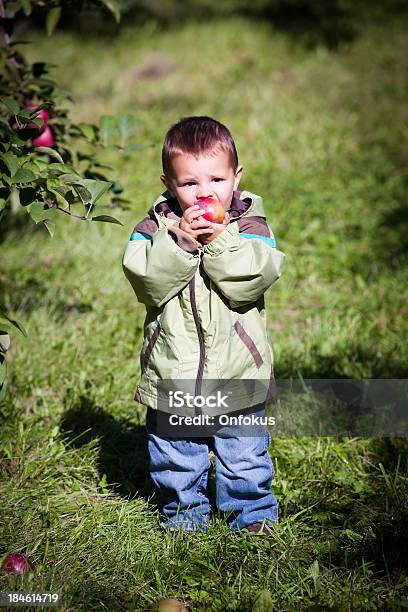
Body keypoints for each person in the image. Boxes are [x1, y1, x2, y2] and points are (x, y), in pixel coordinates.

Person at [122, 116, 285, 539]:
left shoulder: (249, 226)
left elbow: (251, 280)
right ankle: (184, 519)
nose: (204, 192)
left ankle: (251, 520)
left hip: (236, 370)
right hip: (174, 367)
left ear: (237, 176)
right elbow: (148, 284)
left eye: (216, 178)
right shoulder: (154, 230)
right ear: (169, 183)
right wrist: (180, 243)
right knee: (176, 456)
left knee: (245, 455)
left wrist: (218, 241)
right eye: (189, 183)